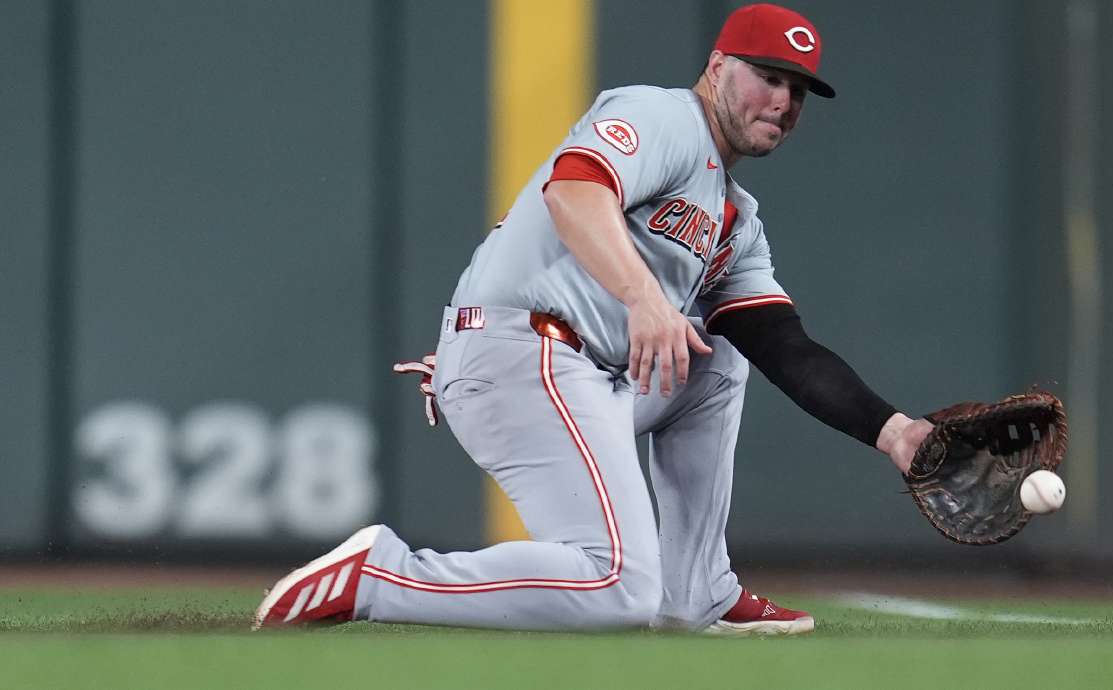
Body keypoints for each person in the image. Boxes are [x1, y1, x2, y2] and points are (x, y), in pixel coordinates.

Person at [254, 3, 934, 636]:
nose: (784, 103)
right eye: (769, 78)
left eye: (799, 91)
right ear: (720, 67)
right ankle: (379, 576)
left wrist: (897, 433)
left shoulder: (737, 221)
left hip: (587, 374)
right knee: (616, 587)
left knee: (721, 357)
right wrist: (644, 299)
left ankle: (699, 589)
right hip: (525, 350)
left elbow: (786, 348)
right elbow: (574, 190)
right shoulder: (665, 119)